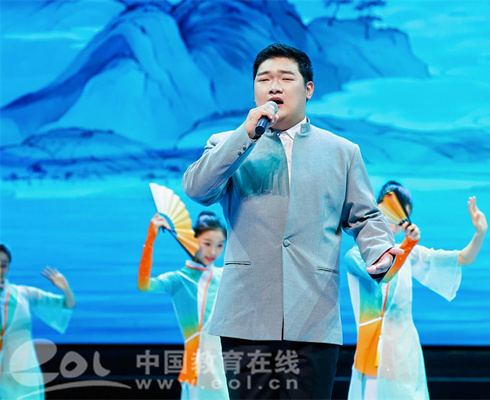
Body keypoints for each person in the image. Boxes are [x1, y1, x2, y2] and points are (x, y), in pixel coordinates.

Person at [182, 43, 401, 399]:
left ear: (308, 89)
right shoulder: (227, 145)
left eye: (286, 78)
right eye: (264, 79)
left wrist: (379, 251)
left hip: (314, 314)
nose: (274, 87)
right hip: (245, 315)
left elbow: (364, 215)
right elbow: (198, 189)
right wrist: (245, 135)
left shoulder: (342, 152)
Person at [345, 181, 488, 399]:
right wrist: (408, 245)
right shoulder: (355, 255)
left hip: (405, 354)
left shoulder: (409, 253)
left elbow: (464, 258)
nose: (393, 223)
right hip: (374, 353)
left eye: (399, 217)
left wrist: (480, 233)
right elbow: (384, 274)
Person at [137, 211, 229, 399]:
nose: (213, 252)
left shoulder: (225, 276)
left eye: (220, 245)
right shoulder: (179, 279)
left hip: (225, 360)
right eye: (207, 244)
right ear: (192, 240)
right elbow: (144, 284)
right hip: (198, 363)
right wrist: (151, 237)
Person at [0, 243, 76, 400]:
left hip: (21, 373)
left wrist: (66, 289)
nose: (0, 270)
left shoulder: (23, 294)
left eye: (3, 265)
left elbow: (67, 305)